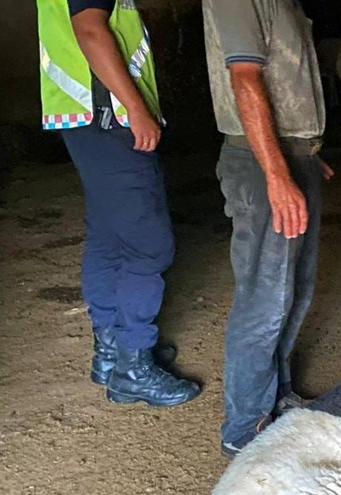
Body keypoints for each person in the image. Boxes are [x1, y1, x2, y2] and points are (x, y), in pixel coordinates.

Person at [37, 0, 201, 407]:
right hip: (108, 119)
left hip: (88, 120)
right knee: (149, 244)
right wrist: (136, 108)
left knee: (108, 235)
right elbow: (91, 32)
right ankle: (133, 366)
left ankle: (111, 350)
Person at [202, 0, 333, 459]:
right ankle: (244, 426)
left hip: (291, 155)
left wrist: (304, 153)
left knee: (295, 289)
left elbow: (285, 83)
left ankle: (275, 398)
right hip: (261, 164)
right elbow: (244, 78)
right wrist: (277, 174)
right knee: (265, 296)